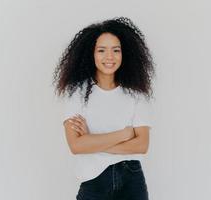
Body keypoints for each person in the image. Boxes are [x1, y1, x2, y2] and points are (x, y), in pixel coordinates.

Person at [53, 16, 155, 200]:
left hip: (132, 180)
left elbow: (142, 145)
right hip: (94, 182)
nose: (109, 57)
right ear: (90, 54)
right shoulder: (76, 93)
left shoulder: (136, 94)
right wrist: (124, 134)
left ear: (125, 54)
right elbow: (76, 145)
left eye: (116, 50)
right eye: (101, 50)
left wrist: (92, 142)